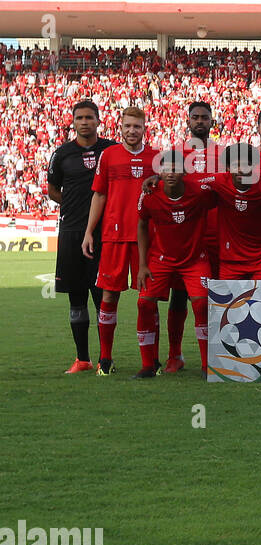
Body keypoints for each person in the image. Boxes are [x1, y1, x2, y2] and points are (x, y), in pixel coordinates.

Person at [81, 107, 155, 375]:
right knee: (109, 295)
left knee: (147, 300)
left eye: (137, 126)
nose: (132, 130)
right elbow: (99, 195)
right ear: (120, 127)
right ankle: (105, 360)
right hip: (113, 235)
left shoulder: (156, 158)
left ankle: (151, 361)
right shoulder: (109, 155)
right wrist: (89, 232)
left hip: (146, 238)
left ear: (144, 128)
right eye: (128, 126)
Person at [133, 150, 217, 378]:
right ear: (159, 172)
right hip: (160, 258)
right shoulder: (149, 193)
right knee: (144, 304)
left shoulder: (199, 191)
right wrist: (142, 265)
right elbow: (141, 224)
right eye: (165, 169)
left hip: (194, 259)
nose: (171, 173)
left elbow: (222, 187)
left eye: (176, 168)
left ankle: (207, 366)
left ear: (185, 171)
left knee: (201, 305)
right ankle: (148, 365)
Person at [47, 99, 115, 373]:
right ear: (73, 122)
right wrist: (73, 205)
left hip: (104, 233)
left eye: (89, 117)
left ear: (99, 120)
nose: (84, 122)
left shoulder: (111, 150)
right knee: (76, 298)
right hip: (71, 232)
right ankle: (83, 359)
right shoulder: (61, 154)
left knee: (102, 298)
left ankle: (105, 359)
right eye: (80, 118)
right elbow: (52, 190)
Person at [207, 143, 261, 280]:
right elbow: (190, 187)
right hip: (230, 260)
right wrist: (159, 180)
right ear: (227, 168)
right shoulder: (217, 182)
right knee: (228, 302)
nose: (241, 169)